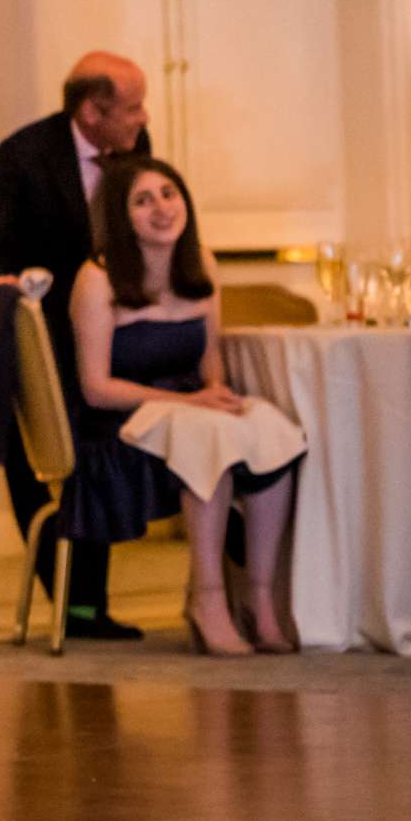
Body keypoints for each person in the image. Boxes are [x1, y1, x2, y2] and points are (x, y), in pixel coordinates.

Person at [63, 158, 303, 656]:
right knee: (205, 435)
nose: (161, 208)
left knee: (272, 429)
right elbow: (95, 388)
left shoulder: (202, 265)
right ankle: (207, 599)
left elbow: (209, 358)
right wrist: (190, 401)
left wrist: (216, 393)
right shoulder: (97, 279)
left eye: (169, 193)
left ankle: (259, 598)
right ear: (121, 215)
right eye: (142, 200)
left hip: (185, 408)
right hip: (116, 427)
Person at [0, 52, 154, 639]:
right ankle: (67, 600)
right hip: (38, 336)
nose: (143, 117)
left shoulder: (136, 147)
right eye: (133, 105)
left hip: (99, 334)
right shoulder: (26, 154)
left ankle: (89, 604)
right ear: (92, 111)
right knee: (34, 465)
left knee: (95, 460)